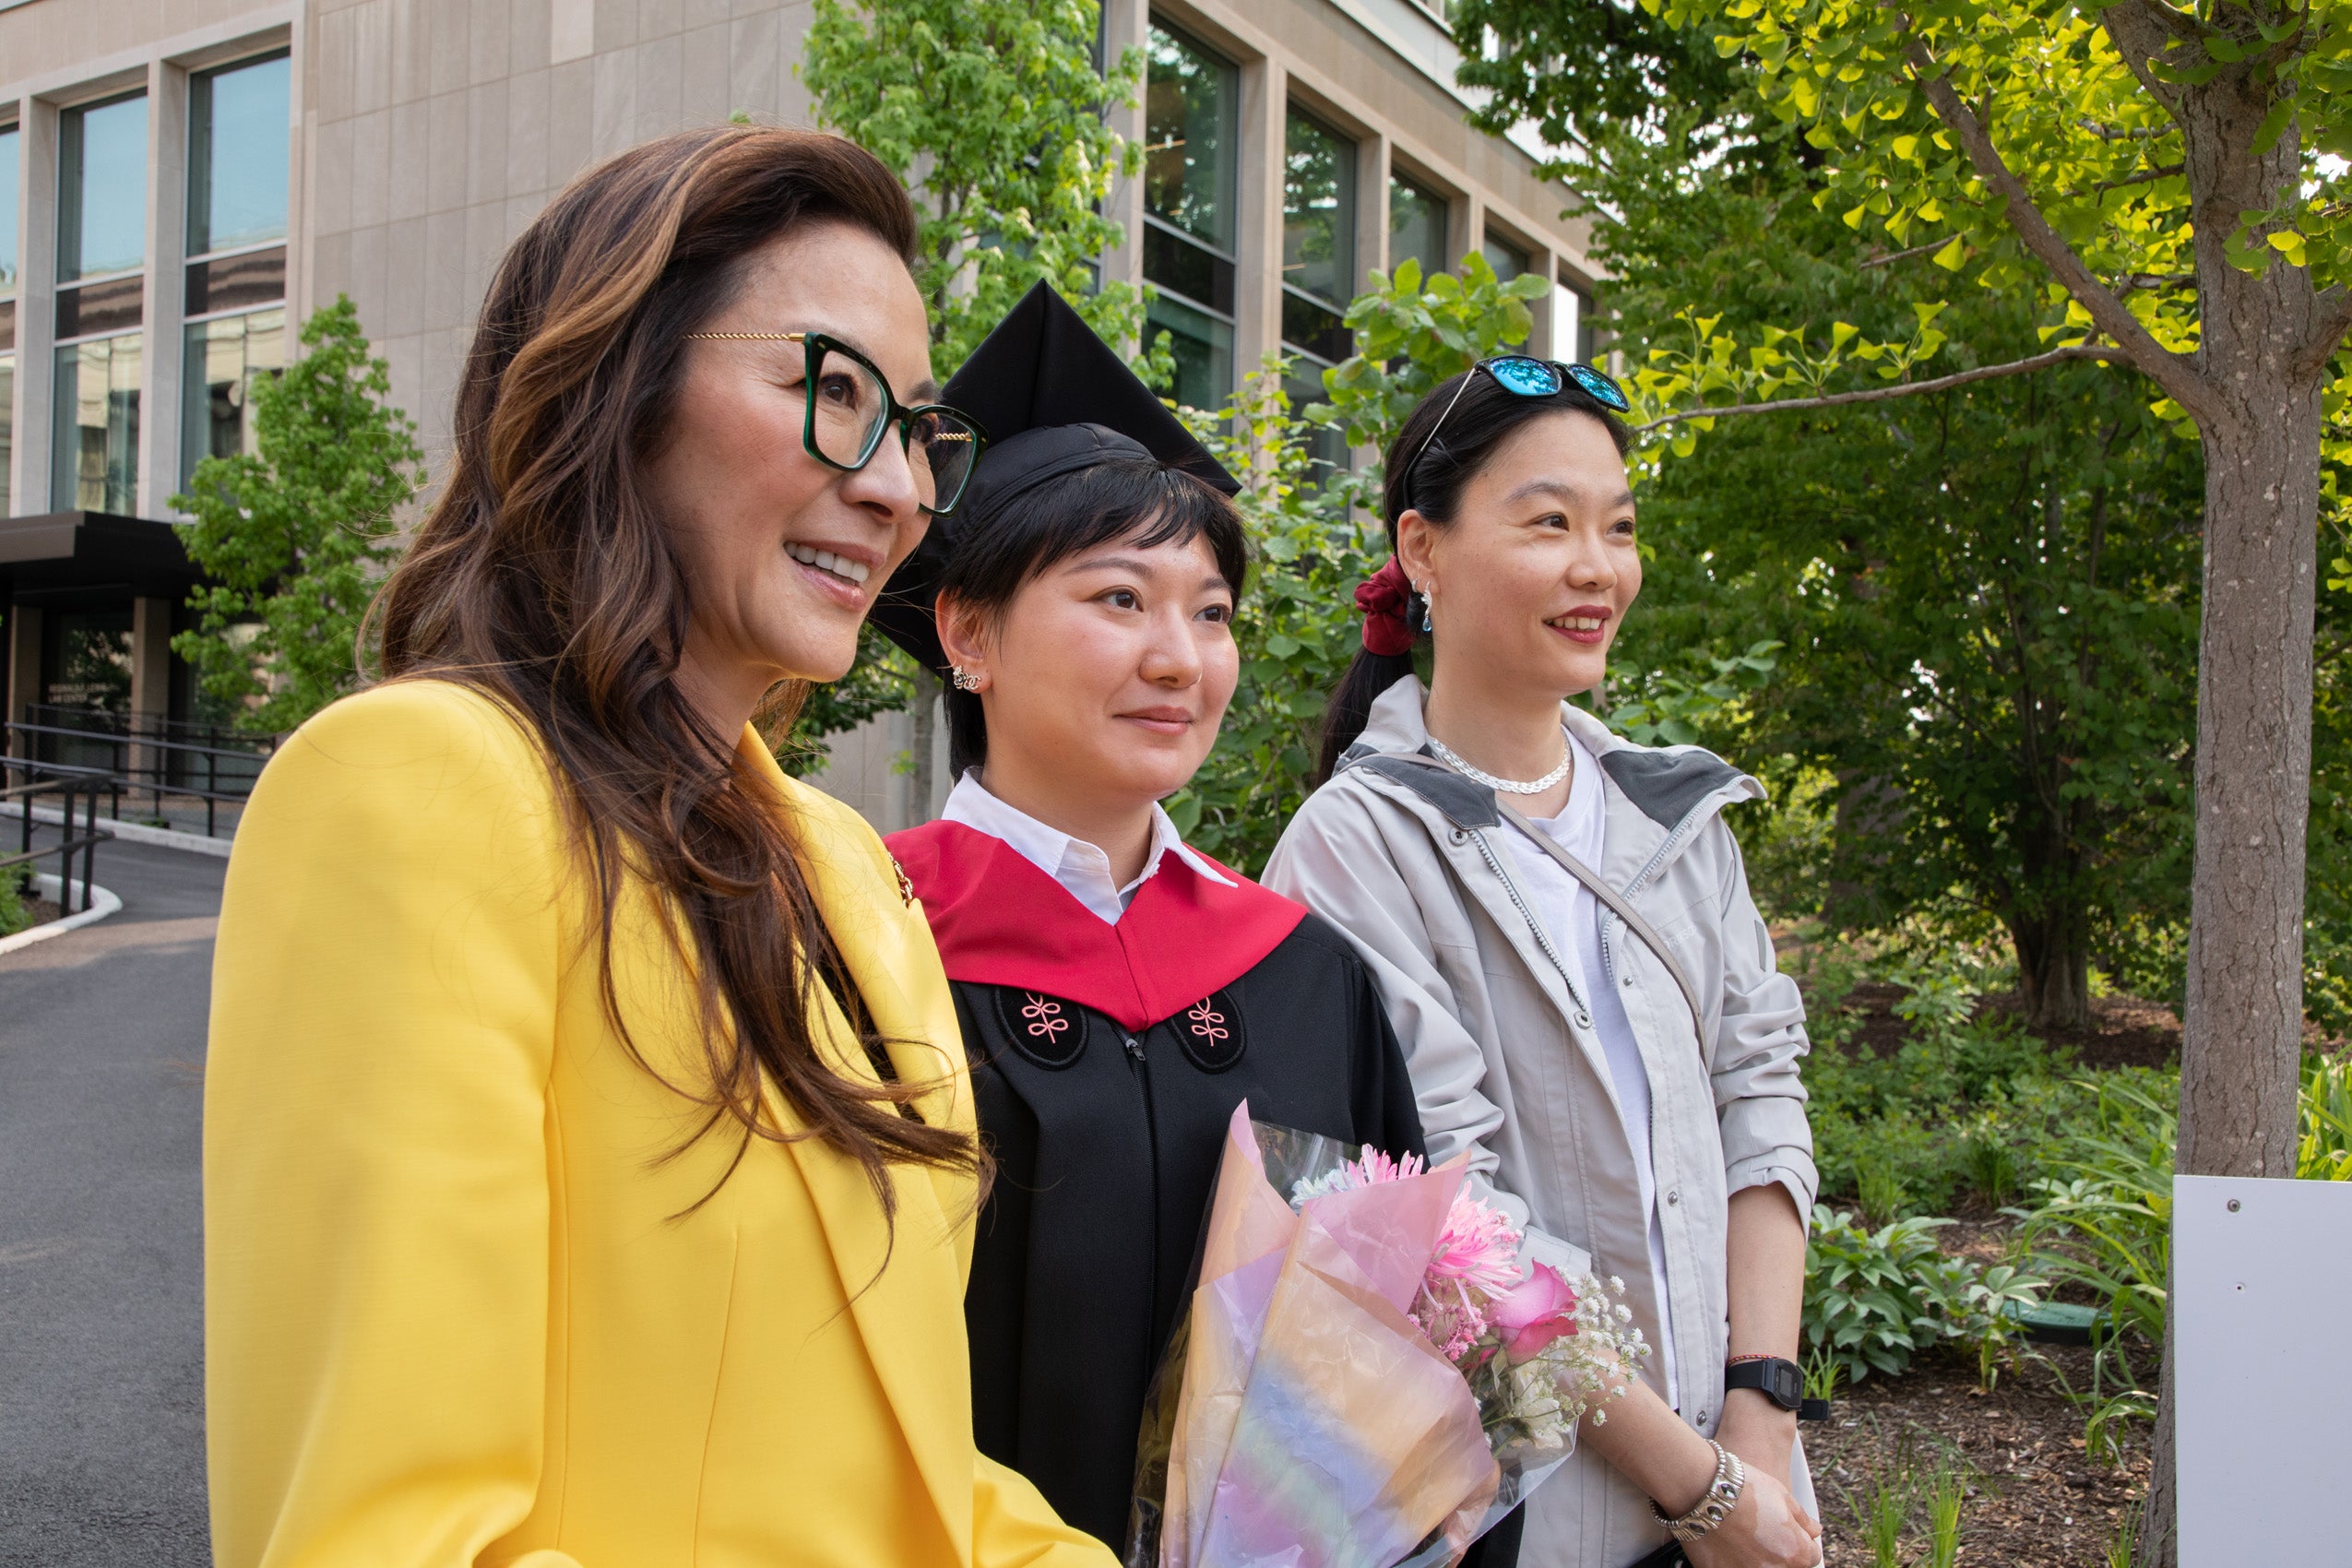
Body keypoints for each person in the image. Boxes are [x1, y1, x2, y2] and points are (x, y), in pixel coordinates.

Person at [203, 127, 1113, 1568]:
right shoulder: (417, 791)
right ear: (616, 393)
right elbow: (391, 1536)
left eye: (918, 431)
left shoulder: (846, 868)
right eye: (830, 392)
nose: (895, 491)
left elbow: (912, 1471)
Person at [869, 283, 1428, 1556]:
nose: (1179, 656)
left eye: (1211, 611)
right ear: (967, 630)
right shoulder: (860, 936)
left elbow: (1388, 1351)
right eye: (1119, 599)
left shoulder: (1301, 974)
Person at [1261, 357, 1825, 1568]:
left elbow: (1760, 1094)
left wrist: (1759, 1424)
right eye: (1548, 522)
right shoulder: (1357, 844)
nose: (1596, 566)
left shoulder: (1675, 817)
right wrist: (1699, 1490)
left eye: (1616, 528)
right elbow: (1433, 1231)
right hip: (1518, 1516)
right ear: (1422, 551)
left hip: (1747, 1489)